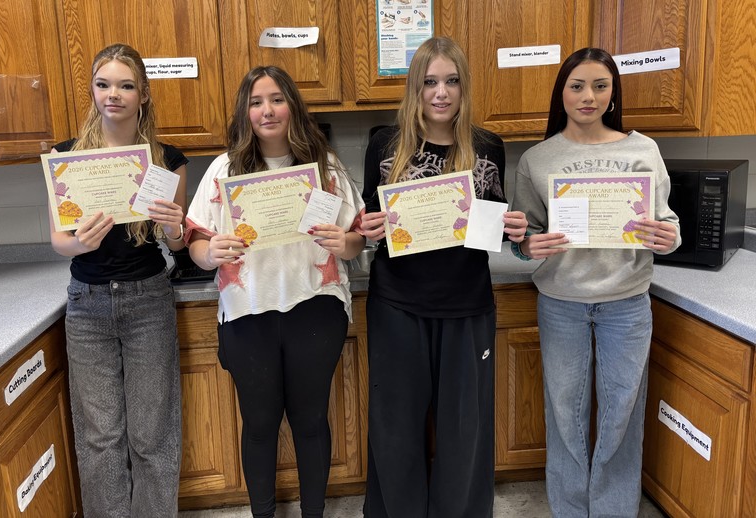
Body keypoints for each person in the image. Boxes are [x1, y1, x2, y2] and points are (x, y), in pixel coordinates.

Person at [185, 65, 365, 518]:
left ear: (293, 107)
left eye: (277, 99)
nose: (268, 110)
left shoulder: (324, 167)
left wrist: (346, 244)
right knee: (260, 425)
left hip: (315, 307)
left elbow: (357, 232)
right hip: (248, 312)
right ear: (245, 112)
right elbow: (196, 241)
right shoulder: (224, 170)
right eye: (256, 101)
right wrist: (210, 254)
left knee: (310, 421)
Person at [359, 36, 528, 517]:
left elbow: (495, 229)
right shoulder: (384, 146)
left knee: (464, 428)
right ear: (415, 87)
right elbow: (373, 226)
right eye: (430, 81)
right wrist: (368, 227)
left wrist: (513, 227)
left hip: (467, 304)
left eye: (452, 81)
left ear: (463, 87)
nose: (441, 92)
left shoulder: (489, 148)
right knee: (395, 426)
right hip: (397, 302)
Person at [511, 47, 681, 517]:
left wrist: (668, 236)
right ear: (561, 93)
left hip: (626, 303)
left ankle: (611, 510)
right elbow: (525, 237)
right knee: (564, 414)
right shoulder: (538, 159)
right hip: (561, 302)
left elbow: (666, 224)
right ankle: (569, 509)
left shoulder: (642, 149)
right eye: (577, 86)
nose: (588, 96)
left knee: (621, 415)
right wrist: (528, 245)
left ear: (613, 94)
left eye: (600, 86)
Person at [49, 43, 187, 517]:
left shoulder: (167, 159)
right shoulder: (66, 159)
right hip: (87, 307)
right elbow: (58, 241)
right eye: (104, 84)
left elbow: (179, 243)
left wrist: (174, 227)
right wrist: (80, 243)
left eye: (126, 86)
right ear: (92, 91)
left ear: (143, 94)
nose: (114, 95)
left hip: (148, 301)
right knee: (100, 438)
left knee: (153, 434)